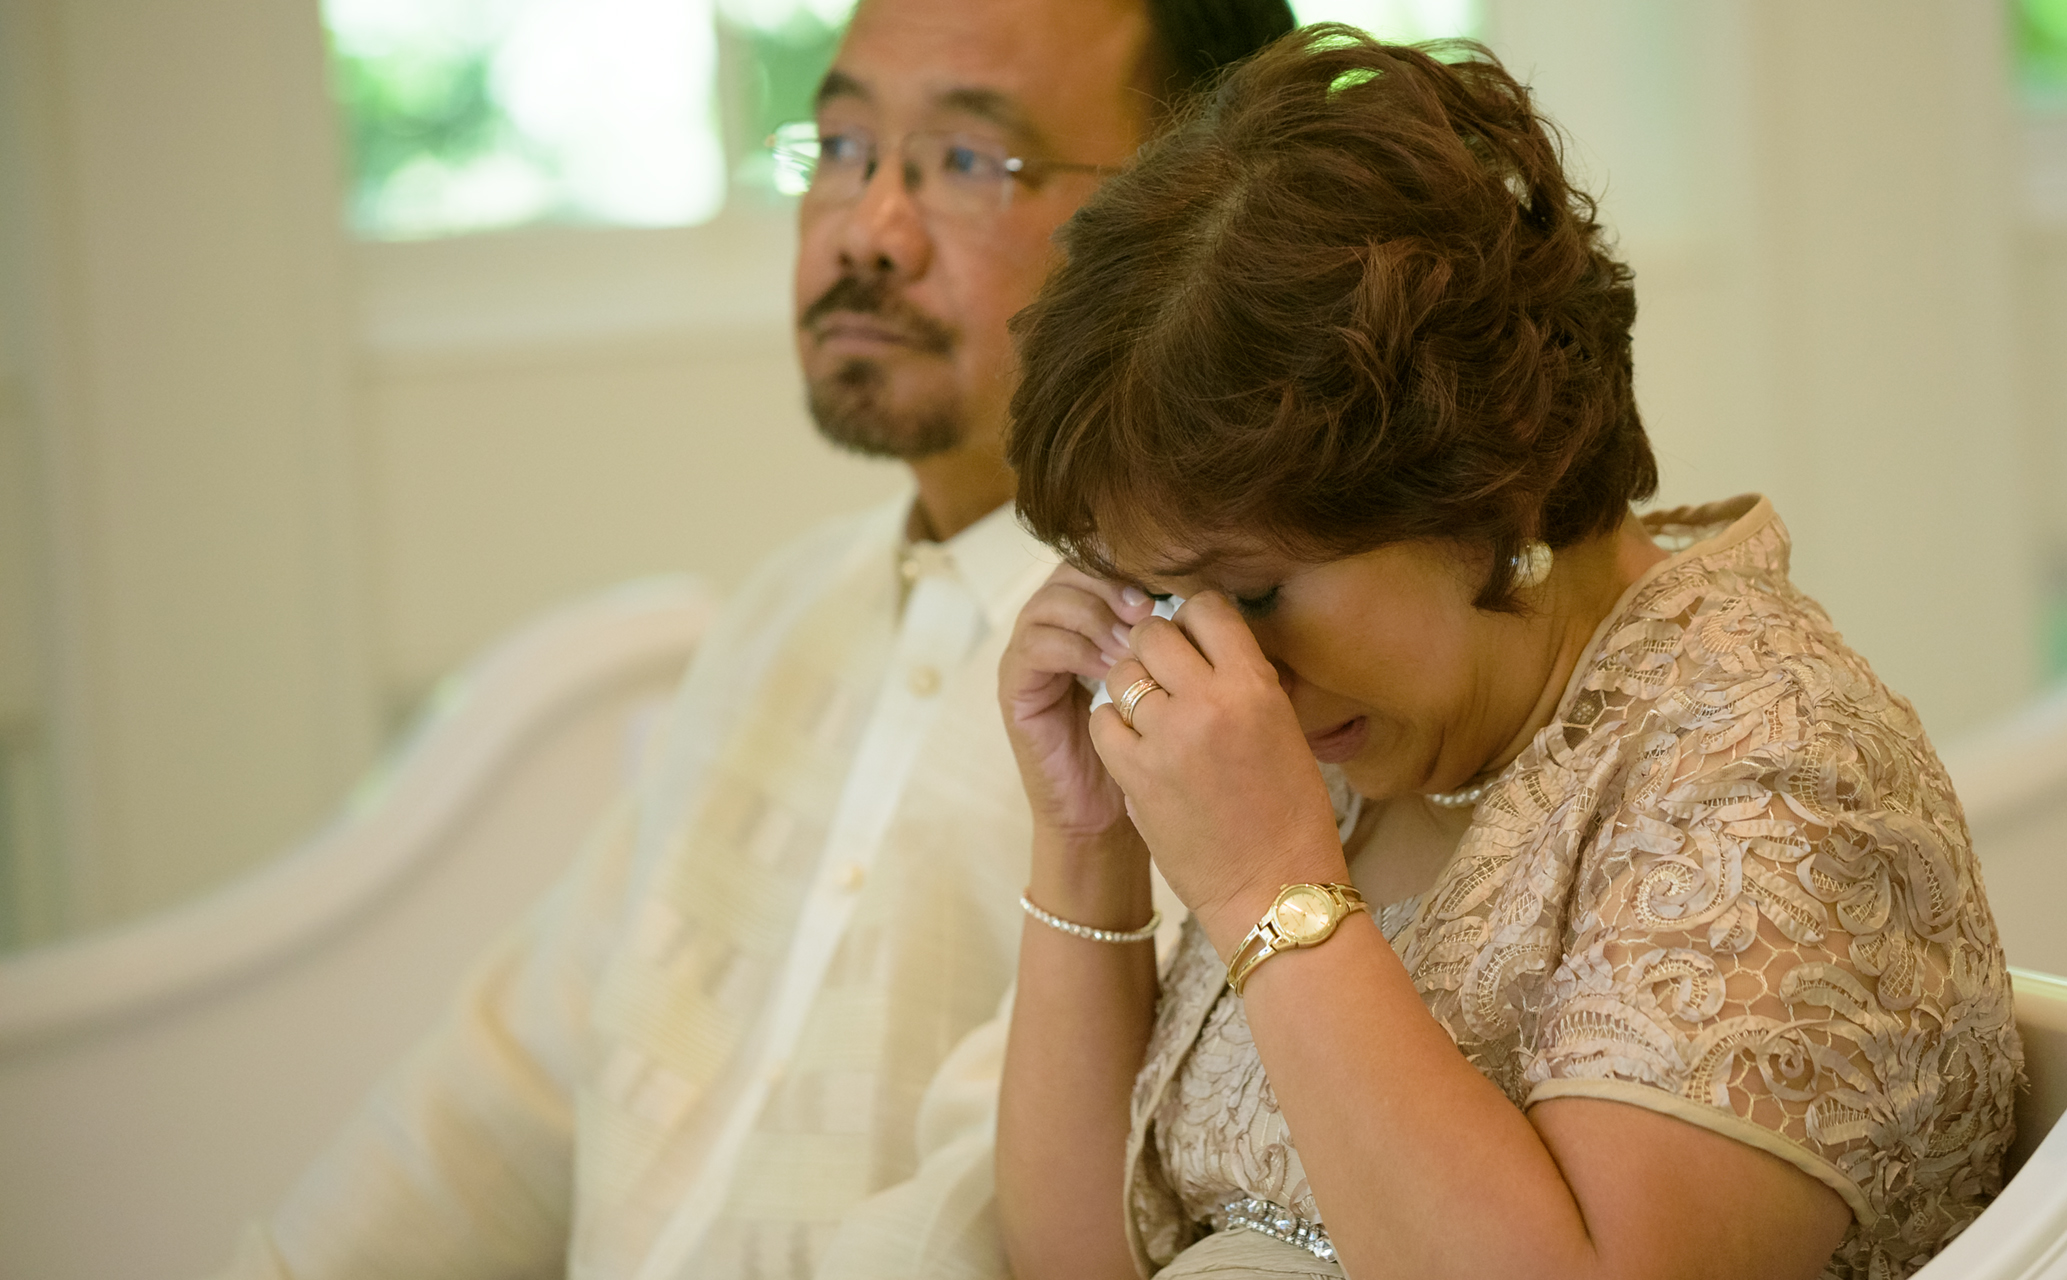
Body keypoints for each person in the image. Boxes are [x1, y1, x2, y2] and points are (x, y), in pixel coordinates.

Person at [208, 2, 1294, 1278]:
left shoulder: (1195, 693)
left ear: (1193, 207)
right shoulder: (785, 613)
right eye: (842, 146)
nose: (868, 227)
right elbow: (510, 1091)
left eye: (963, 162)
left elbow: (982, 1208)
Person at [994, 28, 2021, 1280]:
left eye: (1254, 588)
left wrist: (1273, 888)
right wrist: (1088, 838)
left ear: (1494, 482)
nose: (1220, 663)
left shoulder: (1776, 769)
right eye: (1161, 593)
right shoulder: (1347, 740)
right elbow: (1072, 1260)